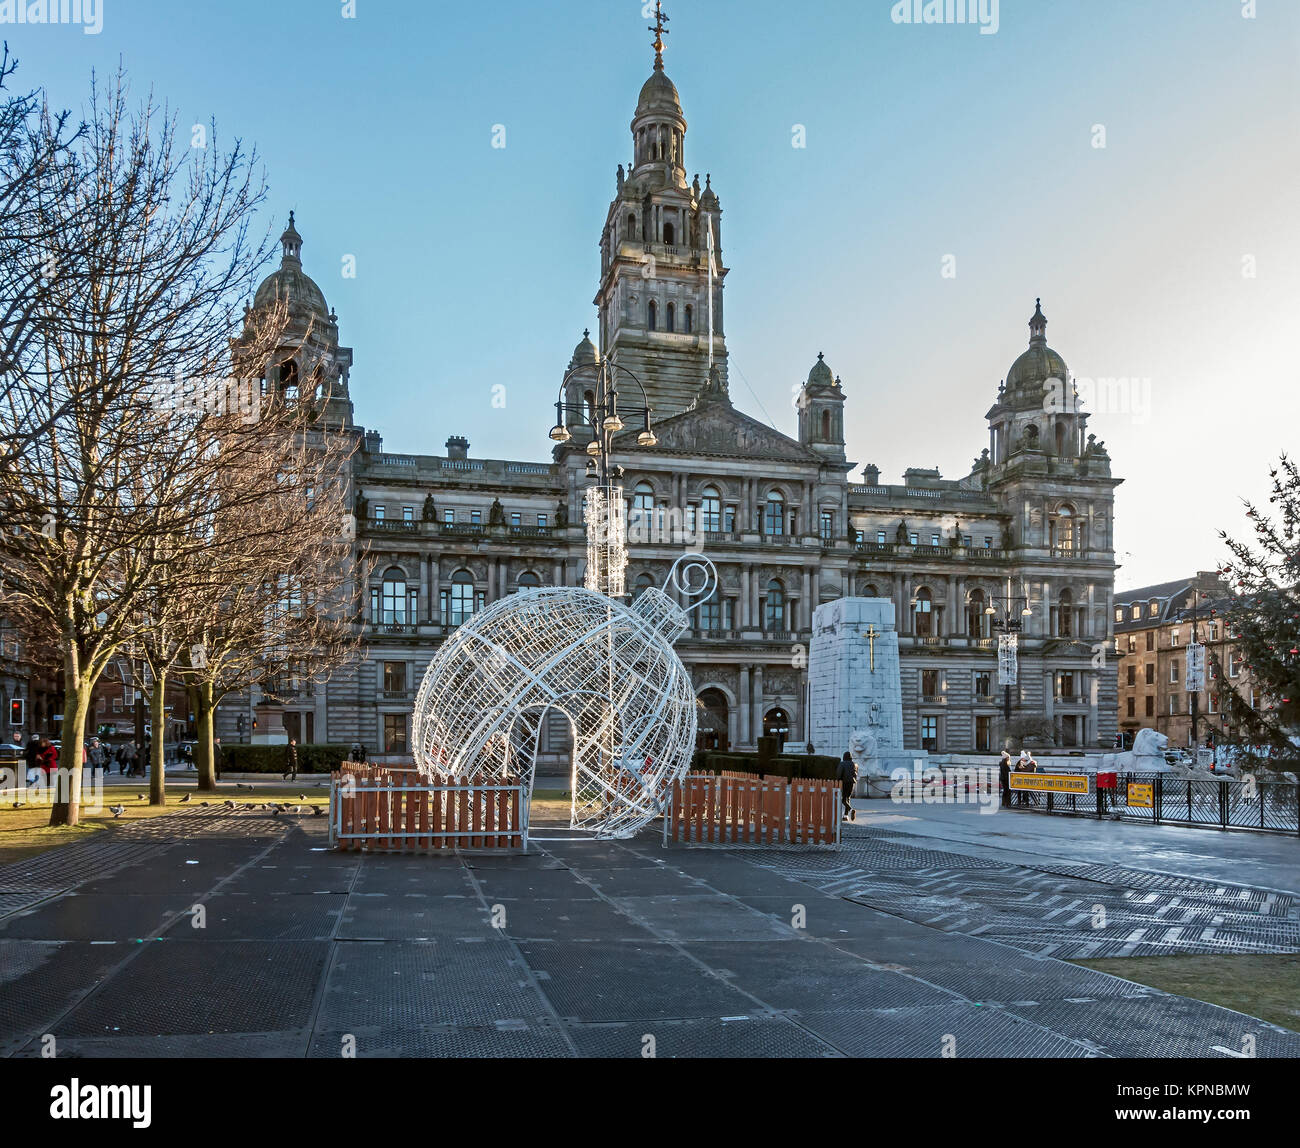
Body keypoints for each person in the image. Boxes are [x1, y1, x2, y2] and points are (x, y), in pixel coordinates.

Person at [836, 750, 858, 821]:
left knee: (843, 800)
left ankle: (851, 810)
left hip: (844, 782)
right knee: (848, 798)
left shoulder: (842, 764)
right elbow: (855, 774)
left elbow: (839, 773)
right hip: (852, 783)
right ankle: (845, 816)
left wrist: (837, 780)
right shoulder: (854, 764)